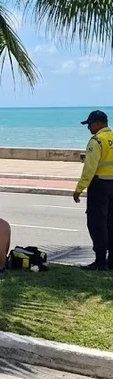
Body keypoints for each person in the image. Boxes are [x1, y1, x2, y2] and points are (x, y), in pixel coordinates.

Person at [73, 110, 113, 271]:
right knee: (111, 223)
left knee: (97, 223)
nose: (88, 127)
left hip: (100, 186)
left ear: (98, 123)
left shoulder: (96, 141)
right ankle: (111, 261)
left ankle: (100, 261)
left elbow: (89, 169)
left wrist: (79, 189)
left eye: (89, 124)